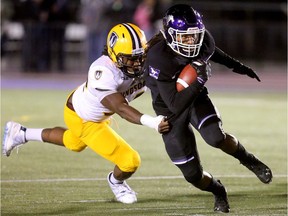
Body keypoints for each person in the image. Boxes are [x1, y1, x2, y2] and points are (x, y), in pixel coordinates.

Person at [2, 23, 170, 204]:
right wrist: (151, 122)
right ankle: (117, 182)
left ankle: (21, 133)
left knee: (74, 143)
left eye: (140, 57)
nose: (137, 64)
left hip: (86, 106)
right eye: (130, 59)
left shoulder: (139, 57)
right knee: (130, 160)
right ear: (114, 55)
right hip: (85, 118)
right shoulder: (103, 71)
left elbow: (156, 43)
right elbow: (120, 108)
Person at [143, 4, 272, 213]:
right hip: (168, 109)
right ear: (169, 35)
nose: (190, 41)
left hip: (194, 97)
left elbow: (212, 52)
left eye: (194, 36)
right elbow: (174, 104)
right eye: (184, 37)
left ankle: (248, 159)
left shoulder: (202, 40)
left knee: (215, 137)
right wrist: (198, 80)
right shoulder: (159, 57)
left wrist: (239, 67)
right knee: (192, 175)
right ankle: (218, 190)